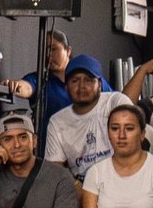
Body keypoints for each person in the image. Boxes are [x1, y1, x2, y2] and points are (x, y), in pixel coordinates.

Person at [42, 53, 132, 181]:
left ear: (100, 84)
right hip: (81, 185)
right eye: (74, 81)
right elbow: (55, 169)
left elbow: (133, 148)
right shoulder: (57, 121)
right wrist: (79, 188)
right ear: (66, 87)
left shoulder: (115, 102)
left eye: (88, 80)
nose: (81, 86)